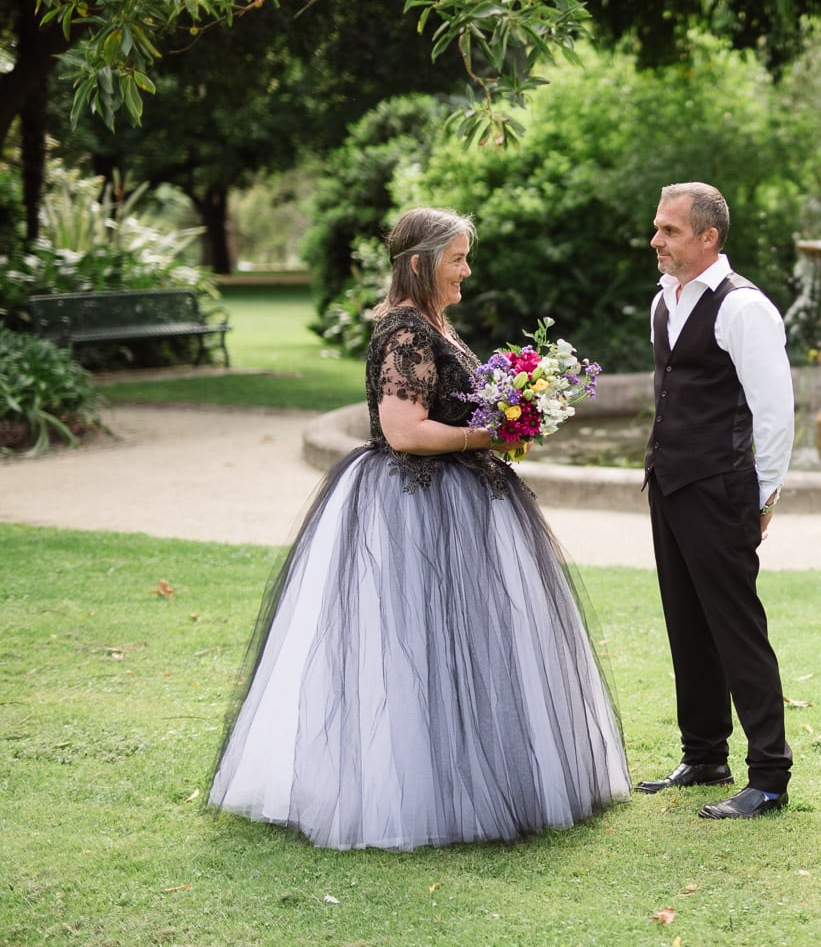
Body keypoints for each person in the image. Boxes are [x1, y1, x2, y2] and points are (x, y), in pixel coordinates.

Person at [208, 207, 631, 850]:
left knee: (466, 644)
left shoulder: (435, 324)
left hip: (458, 495)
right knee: (417, 645)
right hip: (416, 501)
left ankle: (471, 771)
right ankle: (421, 791)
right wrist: (488, 432)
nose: (467, 268)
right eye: (458, 257)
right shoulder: (406, 333)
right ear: (421, 262)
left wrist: (510, 415)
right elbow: (404, 431)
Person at [635, 182, 796, 819]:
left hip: (722, 488)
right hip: (669, 483)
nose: (656, 241)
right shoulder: (662, 301)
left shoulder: (743, 307)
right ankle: (703, 753)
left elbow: (775, 411)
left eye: (669, 231)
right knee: (686, 621)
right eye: (657, 228)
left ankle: (770, 776)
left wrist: (763, 496)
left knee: (737, 629)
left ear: (708, 238)